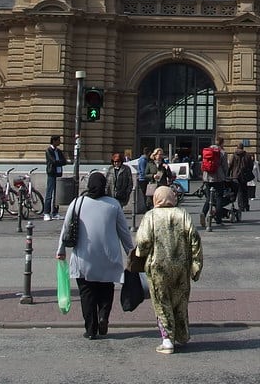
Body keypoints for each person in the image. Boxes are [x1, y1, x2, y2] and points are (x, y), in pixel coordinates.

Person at [57, 171, 135, 340]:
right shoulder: (113, 205)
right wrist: (131, 252)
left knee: (87, 293)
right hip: (109, 257)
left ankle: (91, 329)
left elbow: (66, 228)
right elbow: (124, 232)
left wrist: (61, 250)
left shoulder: (78, 202)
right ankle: (103, 316)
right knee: (106, 289)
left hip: (84, 257)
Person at [134, 185, 203, 353]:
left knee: (161, 301)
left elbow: (143, 242)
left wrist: (140, 253)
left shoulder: (151, 216)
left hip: (158, 267)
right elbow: (195, 239)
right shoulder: (182, 214)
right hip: (181, 267)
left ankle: (167, 340)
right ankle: (182, 335)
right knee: (180, 301)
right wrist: (196, 265)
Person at [200, 137, 227, 228]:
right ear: (222, 143)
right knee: (219, 198)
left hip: (207, 177)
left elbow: (203, 164)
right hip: (218, 178)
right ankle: (218, 220)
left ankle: (203, 213)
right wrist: (225, 175)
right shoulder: (222, 152)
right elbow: (225, 166)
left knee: (208, 198)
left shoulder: (207, 151)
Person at [43, 135, 67, 221]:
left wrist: (58, 162)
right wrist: (59, 162)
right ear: (54, 141)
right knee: (49, 193)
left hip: (58, 173)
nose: (60, 142)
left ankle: (55, 213)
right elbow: (53, 161)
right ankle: (46, 213)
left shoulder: (59, 151)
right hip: (52, 173)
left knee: (57, 194)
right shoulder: (49, 150)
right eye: (58, 140)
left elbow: (64, 161)